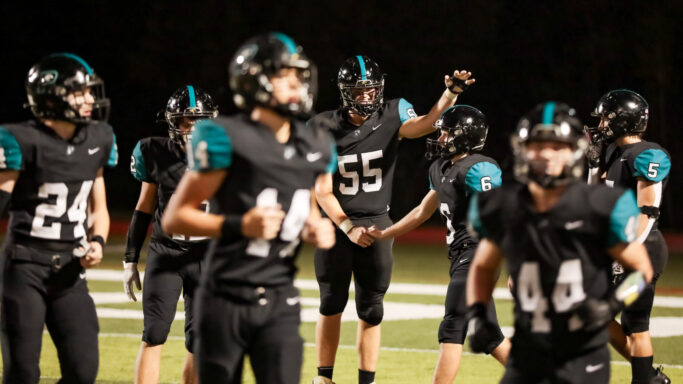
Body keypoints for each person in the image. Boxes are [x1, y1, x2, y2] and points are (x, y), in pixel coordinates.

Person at [161, 32, 336, 384]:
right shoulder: (224, 136)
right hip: (225, 296)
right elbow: (175, 217)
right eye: (283, 76)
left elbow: (306, 208)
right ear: (255, 81)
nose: (296, 85)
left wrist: (315, 228)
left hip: (280, 297)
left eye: (297, 76)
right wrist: (240, 225)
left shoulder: (316, 143)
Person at [309, 55, 475, 384]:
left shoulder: (394, 112)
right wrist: (347, 227)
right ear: (345, 92)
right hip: (337, 224)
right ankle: (324, 378)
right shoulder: (322, 126)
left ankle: (366, 381)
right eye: (360, 91)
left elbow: (426, 123)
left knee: (372, 308)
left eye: (372, 91)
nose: (368, 97)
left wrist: (450, 95)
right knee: (331, 302)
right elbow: (322, 190)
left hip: (378, 222)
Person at [466, 102, 653, 383]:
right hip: (526, 355)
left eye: (558, 146)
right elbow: (482, 268)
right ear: (522, 148)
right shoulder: (501, 205)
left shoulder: (601, 206)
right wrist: (479, 314)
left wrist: (611, 304)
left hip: (582, 357)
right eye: (538, 145)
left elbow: (642, 273)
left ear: (575, 150)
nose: (547, 155)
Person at [367, 105, 510, 383]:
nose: (440, 138)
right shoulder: (441, 167)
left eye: (446, 133)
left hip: (477, 254)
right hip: (460, 256)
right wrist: (387, 233)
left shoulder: (479, 168)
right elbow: (423, 210)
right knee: (490, 336)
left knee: (452, 325)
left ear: (464, 136)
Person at [0, 53, 117, 383]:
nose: (90, 99)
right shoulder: (20, 140)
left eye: (90, 91)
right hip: (24, 267)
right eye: (80, 92)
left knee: (83, 369)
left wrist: (97, 241)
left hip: (69, 269)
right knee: (22, 371)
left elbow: (100, 209)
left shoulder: (99, 138)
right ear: (52, 96)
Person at [124, 85, 218, 384]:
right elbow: (143, 207)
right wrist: (129, 259)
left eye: (199, 120)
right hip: (166, 254)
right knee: (154, 332)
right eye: (185, 121)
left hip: (207, 256)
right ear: (172, 123)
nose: (192, 128)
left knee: (199, 340)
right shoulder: (154, 151)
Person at [586, 89, 672, 384]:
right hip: (619, 247)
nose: (600, 126)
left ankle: (644, 379)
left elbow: (648, 212)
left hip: (642, 249)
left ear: (623, 120)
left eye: (606, 119)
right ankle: (648, 376)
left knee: (636, 324)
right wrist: (593, 164)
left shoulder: (647, 154)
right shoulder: (613, 151)